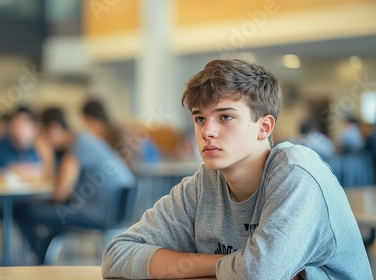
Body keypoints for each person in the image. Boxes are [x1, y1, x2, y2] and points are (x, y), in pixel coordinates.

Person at [102, 59, 371, 279]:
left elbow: (259, 274)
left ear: (264, 127)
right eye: (199, 118)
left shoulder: (295, 171)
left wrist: (193, 267)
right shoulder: (203, 184)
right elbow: (117, 255)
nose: (207, 131)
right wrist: (228, 264)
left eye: (225, 117)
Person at [15, 107, 135, 264]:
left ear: (54, 128)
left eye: (43, 134)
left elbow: (60, 193)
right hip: (113, 211)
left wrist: (46, 153)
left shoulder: (77, 144)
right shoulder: (85, 139)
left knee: (23, 210)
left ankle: (39, 261)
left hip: (97, 214)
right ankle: (43, 259)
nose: (42, 139)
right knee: (49, 218)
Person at [0, 106, 47, 180]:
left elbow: (42, 174)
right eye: (16, 126)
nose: (20, 131)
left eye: (24, 126)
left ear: (34, 128)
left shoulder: (37, 149)